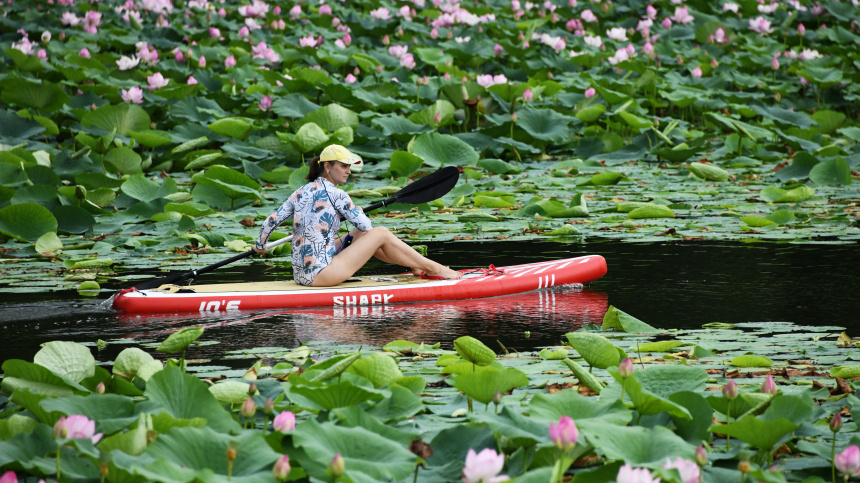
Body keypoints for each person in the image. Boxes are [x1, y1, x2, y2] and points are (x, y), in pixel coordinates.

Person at [252, 144, 462, 287]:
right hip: (322, 274)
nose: (348, 171)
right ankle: (435, 267)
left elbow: (271, 220)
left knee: (359, 236)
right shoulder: (337, 194)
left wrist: (261, 246)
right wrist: (357, 213)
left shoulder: (299, 192)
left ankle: (416, 266)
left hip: (301, 275)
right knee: (380, 233)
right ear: (327, 166)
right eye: (343, 166)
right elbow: (366, 226)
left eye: (349, 166)